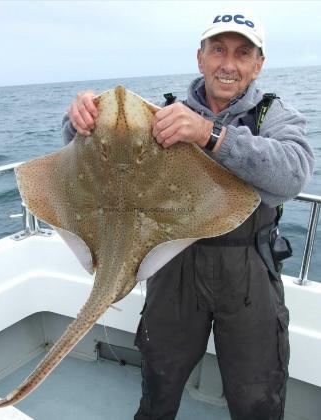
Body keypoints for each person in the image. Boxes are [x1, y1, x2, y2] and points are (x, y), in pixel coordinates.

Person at [62, 10, 315, 420]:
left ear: (258, 65)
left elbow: (293, 173)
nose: (228, 64)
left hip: (248, 267)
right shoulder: (161, 114)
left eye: (242, 53)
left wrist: (208, 133)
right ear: (201, 59)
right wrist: (78, 121)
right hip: (172, 260)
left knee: (257, 396)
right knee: (159, 382)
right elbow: (97, 161)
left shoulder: (273, 115)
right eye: (218, 50)